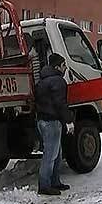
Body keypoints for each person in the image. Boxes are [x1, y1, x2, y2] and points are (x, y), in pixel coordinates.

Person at [34, 53, 75, 195]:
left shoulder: (42, 80)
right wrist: (69, 120)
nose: (65, 68)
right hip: (52, 122)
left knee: (57, 153)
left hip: (42, 120)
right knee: (50, 155)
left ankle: (55, 182)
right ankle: (44, 185)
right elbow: (60, 104)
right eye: (64, 65)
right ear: (57, 66)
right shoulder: (58, 81)